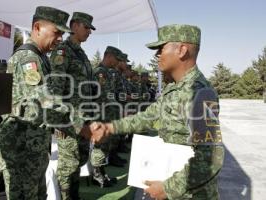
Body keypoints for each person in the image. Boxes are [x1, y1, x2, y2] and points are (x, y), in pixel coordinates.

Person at [91, 24, 224, 200]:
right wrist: (110, 128)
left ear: (182, 50)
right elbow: (148, 116)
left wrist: (168, 188)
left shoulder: (199, 92)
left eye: (161, 48)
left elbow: (212, 158)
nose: (157, 55)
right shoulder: (174, 88)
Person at [0, 6, 71, 200]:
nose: (60, 38)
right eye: (57, 32)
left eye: (62, 34)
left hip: (34, 147)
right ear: (37, 27)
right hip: (21, 151)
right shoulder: (28, 58)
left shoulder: (41, 58)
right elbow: (44, 103)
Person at [49, 11, 96, 200]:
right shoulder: (62, 50)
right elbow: (55, 88)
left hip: (84, 117)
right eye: (86, 27)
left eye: (90, 29)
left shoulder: (81, 53)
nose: (89, 32)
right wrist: (59, 121)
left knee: (80, 159)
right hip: (68, 119)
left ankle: (74, 195)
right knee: (68, 164)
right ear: (74, 26)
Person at [90, 46, 124, 187]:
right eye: (116, 59)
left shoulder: (108, 73)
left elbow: (111, 95)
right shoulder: (100, 73)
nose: (117, 62)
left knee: (105, 146)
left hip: (108, 115)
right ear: (109, 56)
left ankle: (102, 173)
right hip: (100, 115)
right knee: (100, 146)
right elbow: (99, 97)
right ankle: (97, 176)